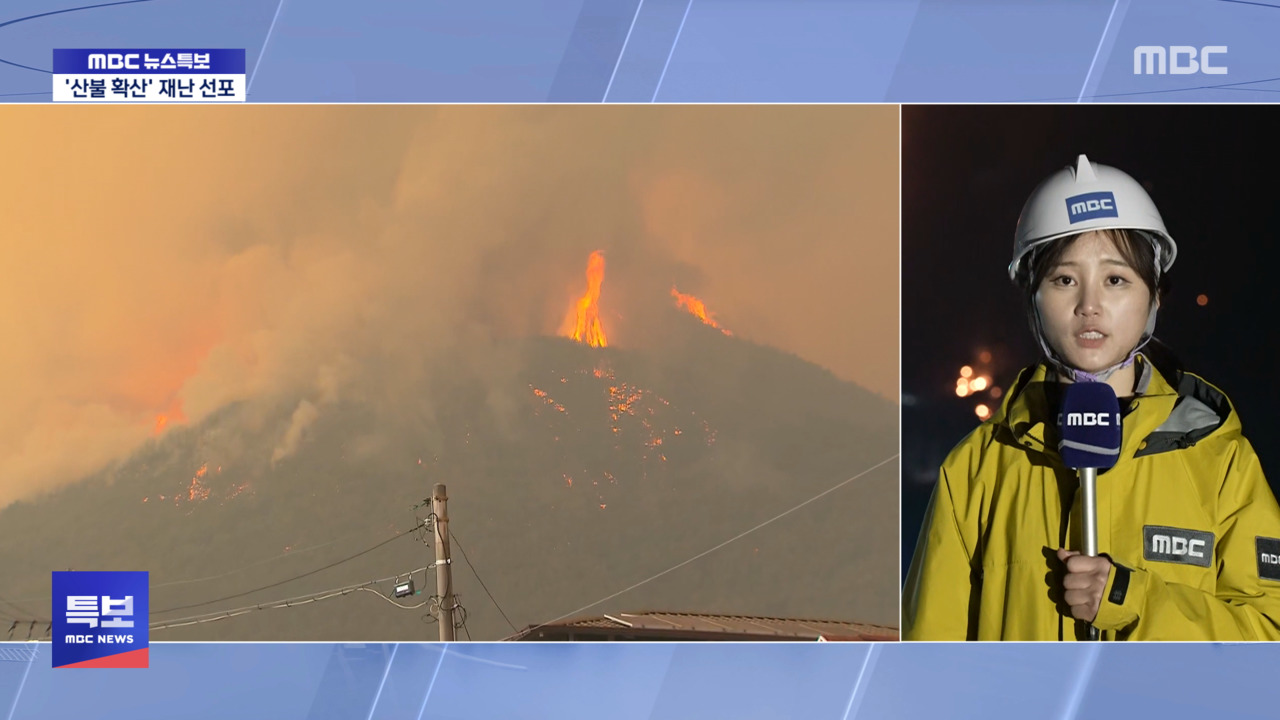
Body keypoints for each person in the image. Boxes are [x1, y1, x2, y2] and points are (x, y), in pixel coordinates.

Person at [902, 155, 1280, 641]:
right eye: (1064, 279)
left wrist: (1130, 598)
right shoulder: (977, 469)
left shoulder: (1219, 461)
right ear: (1032, 298)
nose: (1089, 305)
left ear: (1155, 298)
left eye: (1116, 279)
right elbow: (929, 662)